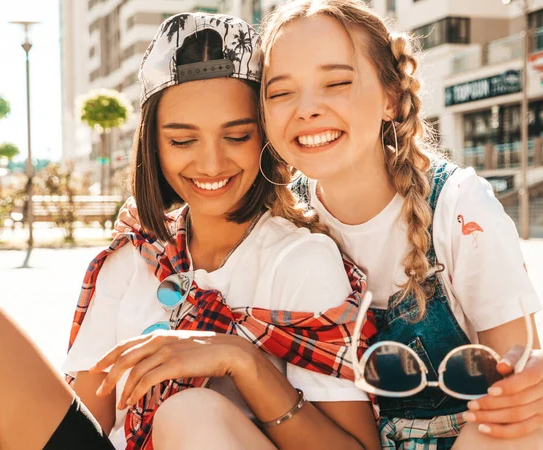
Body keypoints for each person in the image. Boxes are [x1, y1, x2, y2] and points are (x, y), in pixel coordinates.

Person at [0, 13, 381, 450]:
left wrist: (241, 359)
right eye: (182, 141)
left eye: (236, 136)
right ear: (152, 144)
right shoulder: (136, 252)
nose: (210, 164)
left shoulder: (301, 260)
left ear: (266, 137)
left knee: (190, 412)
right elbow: (88, 420)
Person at [114, 1, 543, 448]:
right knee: (189, 414)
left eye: (336, 83)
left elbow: (515, 373)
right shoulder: (276, 216)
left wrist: (532, 379)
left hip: (468, 437)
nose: (307, 109)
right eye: (280, 93)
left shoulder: (457, 207)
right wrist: (147, 218)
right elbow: (200, 213)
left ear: (391, 97)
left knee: (519, 418)